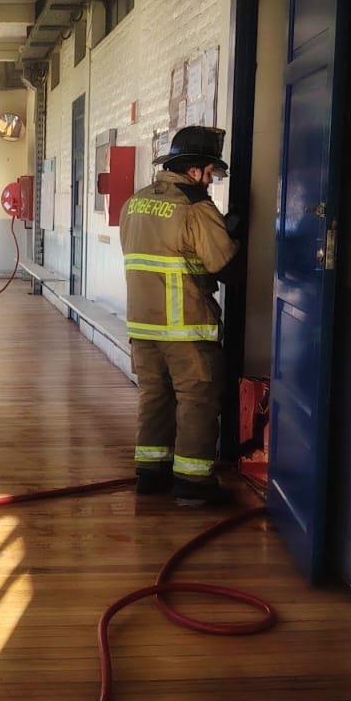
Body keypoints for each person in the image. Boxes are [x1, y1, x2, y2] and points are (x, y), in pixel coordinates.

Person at [119, 126, 241, 506]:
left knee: (155, 397)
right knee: (196, 400)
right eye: (209, 172)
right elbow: (225, 267)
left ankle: (151, 472)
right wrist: (234, 234)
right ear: (193, 170)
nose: (210, 181)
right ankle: (192, 483)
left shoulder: (135, 203)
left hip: (142, 325)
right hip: (185, 326)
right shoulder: (195, 208)